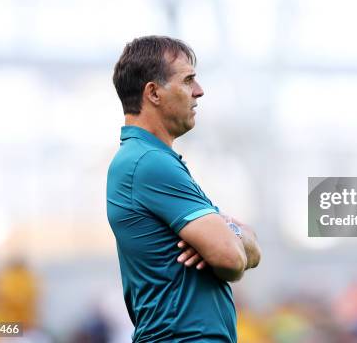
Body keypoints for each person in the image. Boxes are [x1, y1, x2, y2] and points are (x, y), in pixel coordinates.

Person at [107, 36, 261, 342]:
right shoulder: (149, 163)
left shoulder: (150, 160)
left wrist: (224, 229)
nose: (199, 91)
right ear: (153, 92)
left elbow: (252, 252)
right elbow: (232, 260)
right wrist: (226, 236)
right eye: (188, 79)